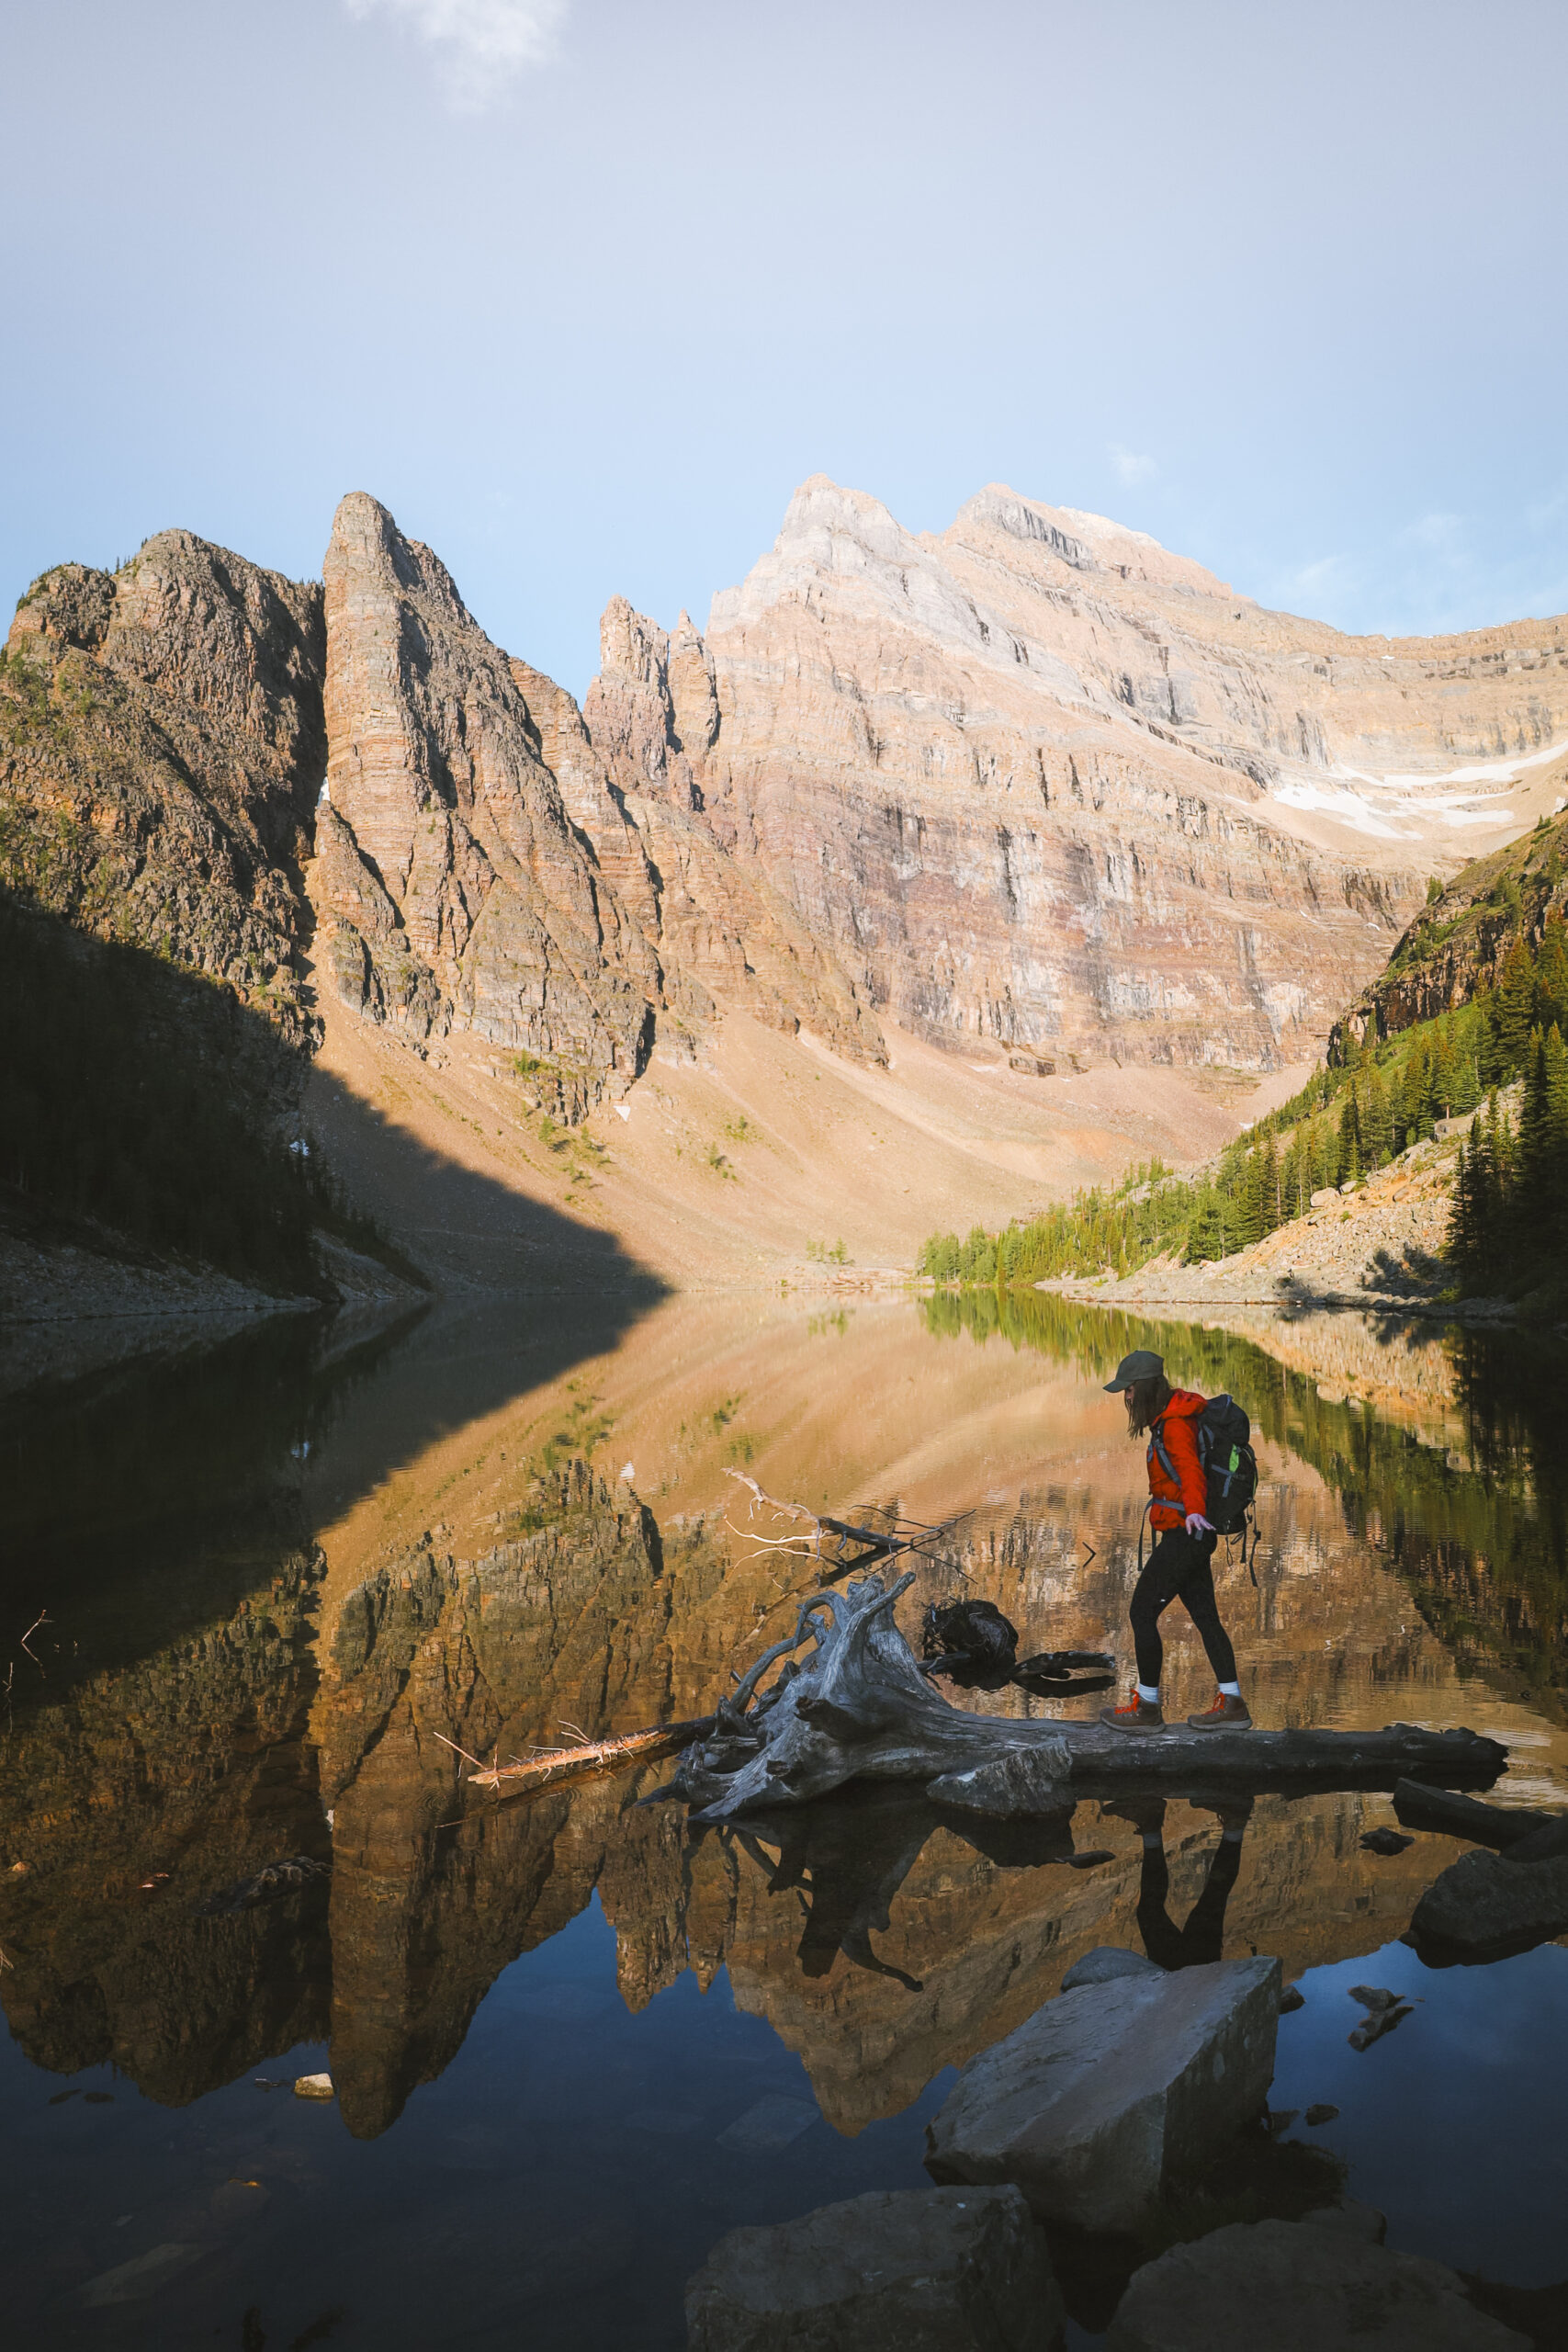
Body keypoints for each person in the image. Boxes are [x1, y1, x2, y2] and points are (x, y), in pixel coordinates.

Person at [1098, 1348, 1252, 1731]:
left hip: (1187, 1533)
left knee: (1141, 1612)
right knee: (1206, 1618)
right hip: (1190, 1534)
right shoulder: (1170, 1418)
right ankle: (1232, 1703)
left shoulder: (1177, 1424)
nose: (1126, 1398)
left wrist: (1196, 1511)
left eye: (1129, 1390)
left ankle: (1147, 1709)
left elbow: (1190, 1471)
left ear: (1146, 1387)